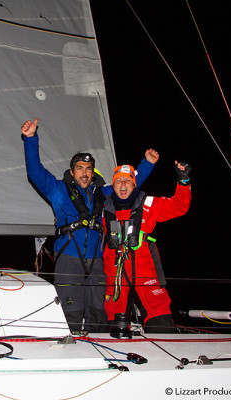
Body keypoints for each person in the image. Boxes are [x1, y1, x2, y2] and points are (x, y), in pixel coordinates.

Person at [20, 117, 158, 333]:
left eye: (89, 169)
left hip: (96, 262)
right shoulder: (57, 189)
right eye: (80, 168)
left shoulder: (102, 193)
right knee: (70, 312)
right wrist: (30, 138)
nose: (85, 173)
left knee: (98, 312)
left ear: (93, 173)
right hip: (68, 259)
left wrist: (147, 163)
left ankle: (103, 354)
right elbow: (35, 172)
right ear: (72, 171)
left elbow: (128, 183)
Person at [103, 161, 191, 333]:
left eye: (127, 181)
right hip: (116, 276)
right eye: (118, 181)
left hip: (146, 273)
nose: (123, 184)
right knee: (113, 326)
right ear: (112, 185)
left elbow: (180, 206)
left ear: (134, 184)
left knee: (161, 322)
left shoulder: (148, 204)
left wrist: (184, 181)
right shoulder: (102, 208)